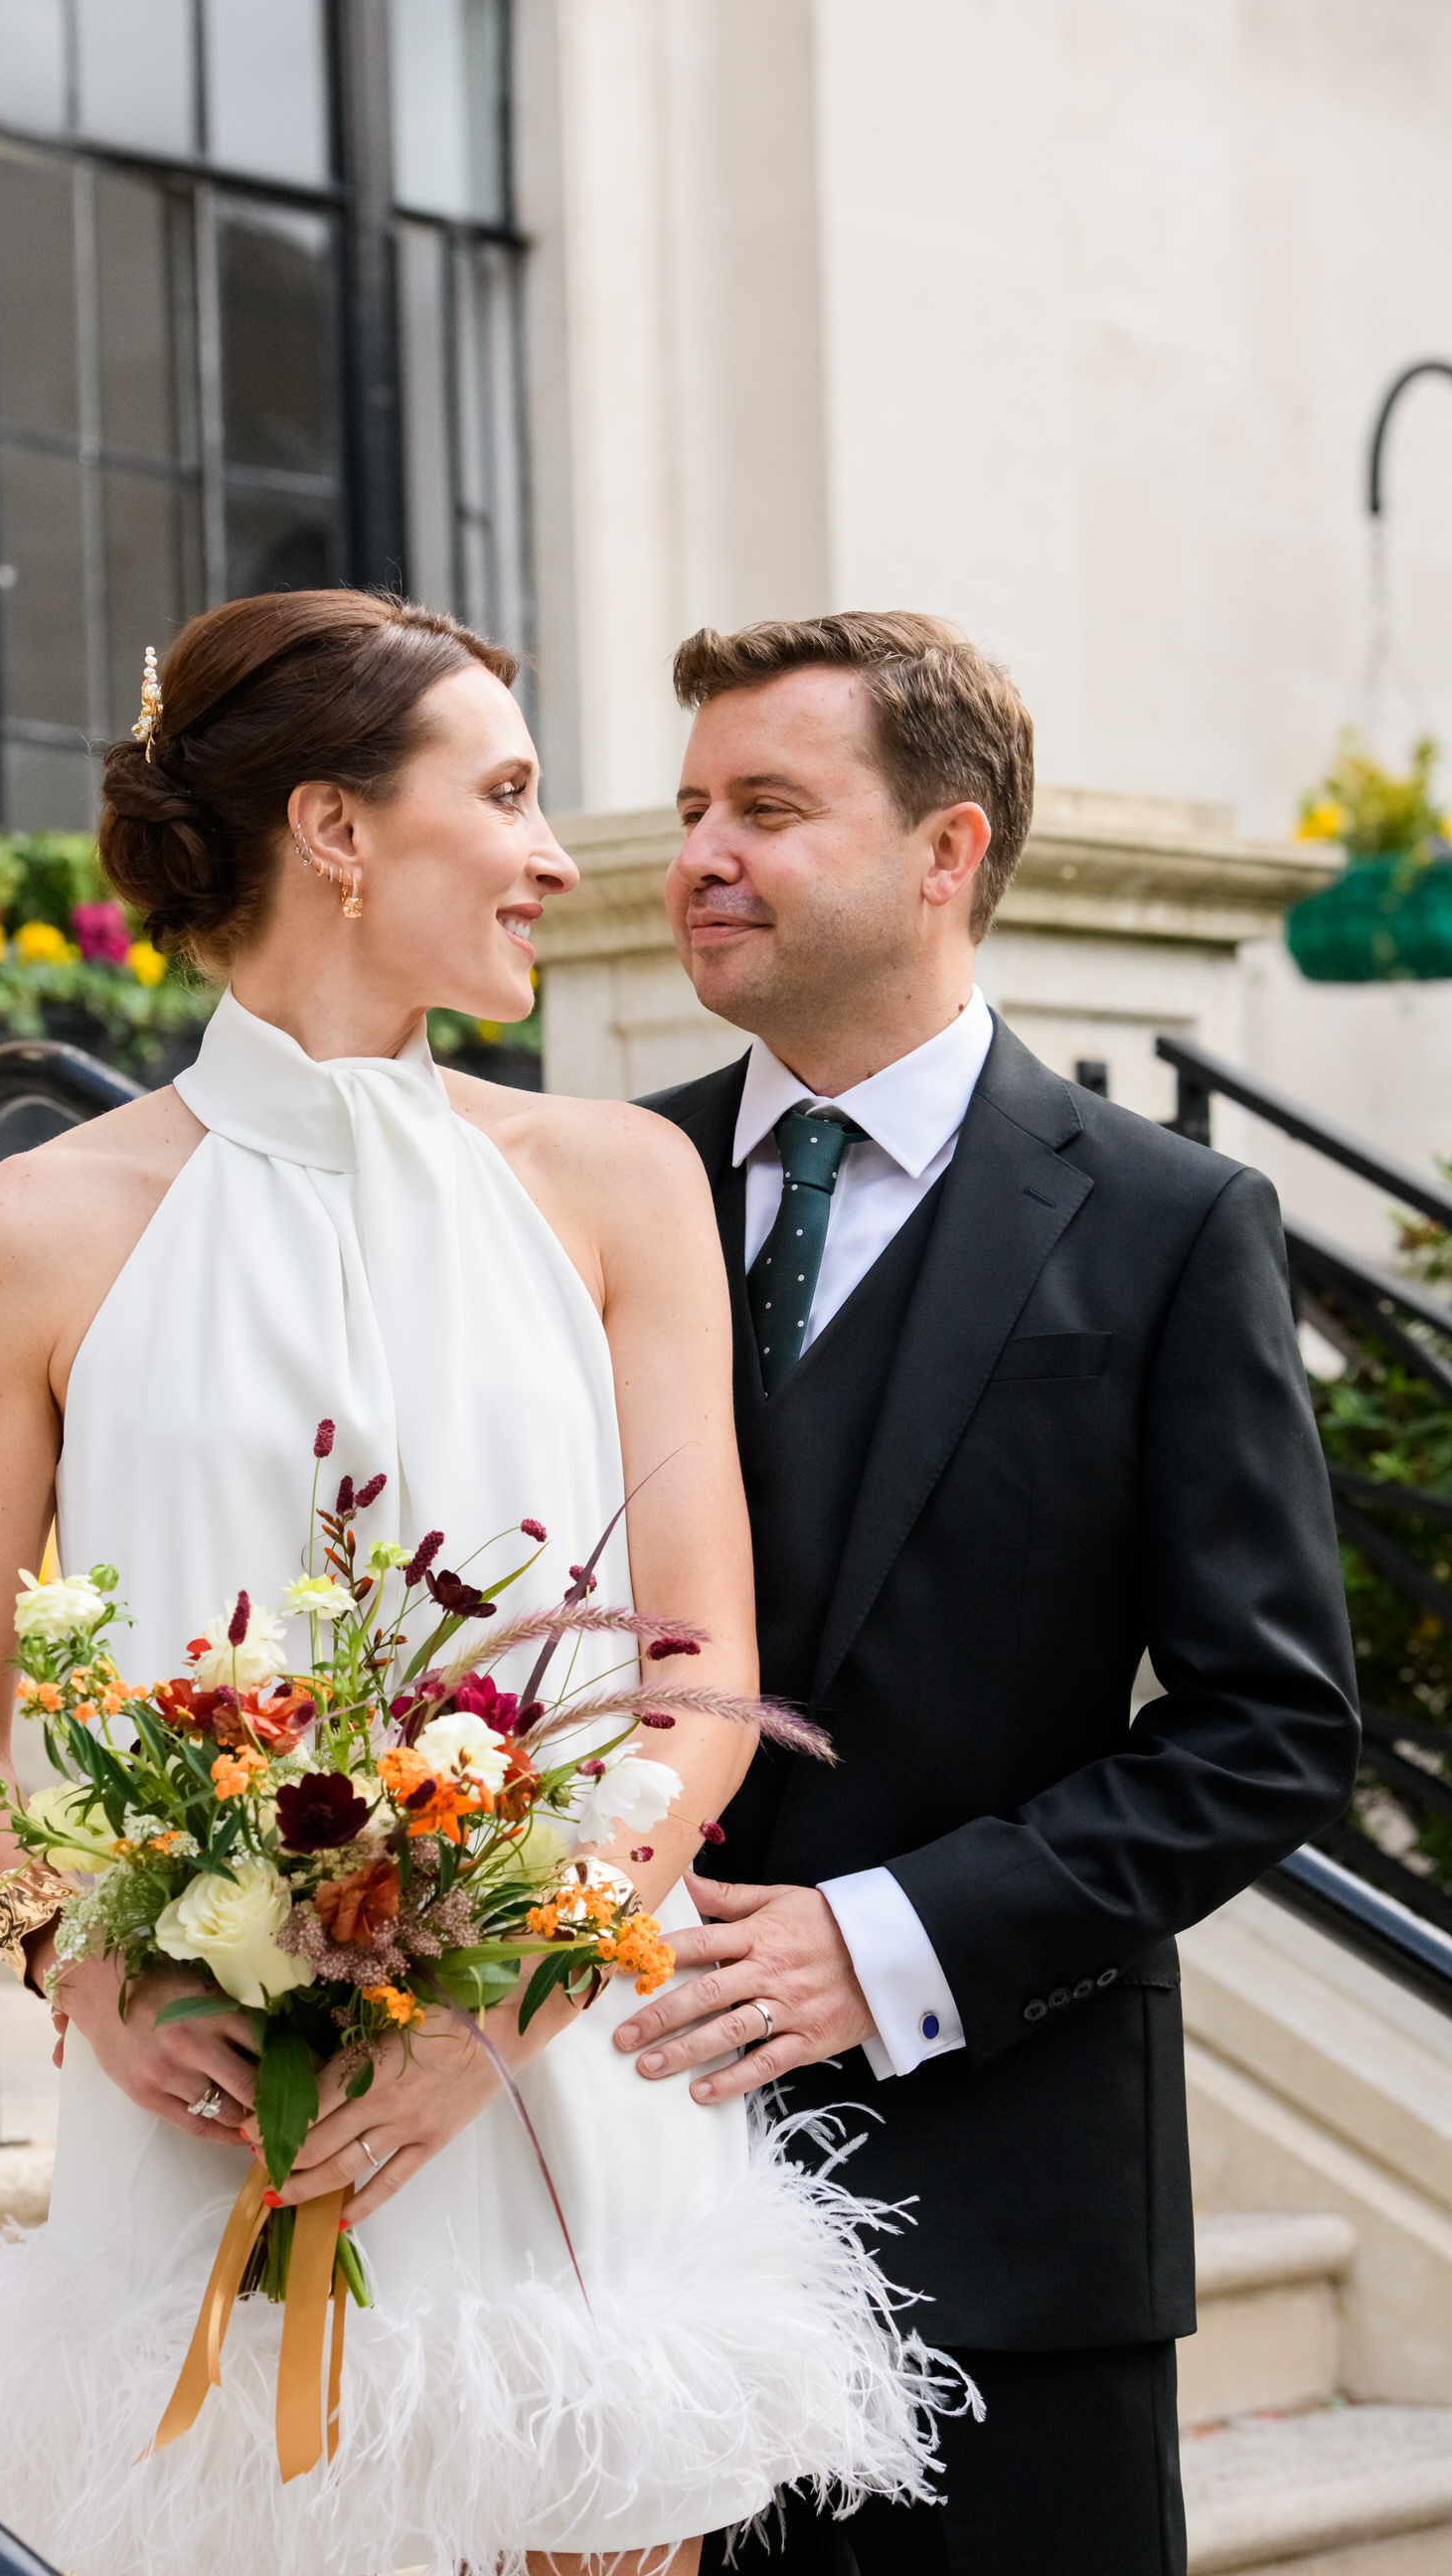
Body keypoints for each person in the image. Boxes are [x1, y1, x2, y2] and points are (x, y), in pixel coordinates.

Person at [0, 591, 947, 2576]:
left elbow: (702, 1673)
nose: (560, 856)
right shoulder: (25, 1233)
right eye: (510, 793)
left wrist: (502, 2010)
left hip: (568, 2088)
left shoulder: (620, 1183)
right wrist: (94, 1969)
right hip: (212, 2111)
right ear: (337, 830)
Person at [616, 611, 1362, 2576]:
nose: (700, 856)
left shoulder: (1171, 1224)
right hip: (603, 2215)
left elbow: (1269, 1730)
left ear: (947, 850)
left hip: (1010, 2236)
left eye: (767, 807)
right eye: (689, 810)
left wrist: (886, 1943)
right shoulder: (591, 1191)